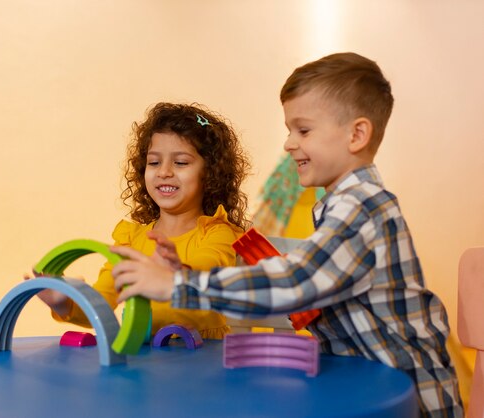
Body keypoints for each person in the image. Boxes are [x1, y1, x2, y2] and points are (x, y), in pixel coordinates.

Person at [111, 53, 463, 417]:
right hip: (363, 390)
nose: (289, 144)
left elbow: (296, 284)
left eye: (303, 130)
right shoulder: (338, 206)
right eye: (289, 130)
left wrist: (177, 285)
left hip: (409, 403)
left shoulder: (363, 207)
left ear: (357, 135)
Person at [28, 102, 250, 339]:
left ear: (210, 174)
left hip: (202, 360)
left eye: (181, 162)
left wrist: (176, 274)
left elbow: (210, 265)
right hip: (144, 362)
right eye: (154, 162)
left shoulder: (217, 231)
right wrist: (64, 302)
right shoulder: (130, 240)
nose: (164, 171)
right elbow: (101, 305)